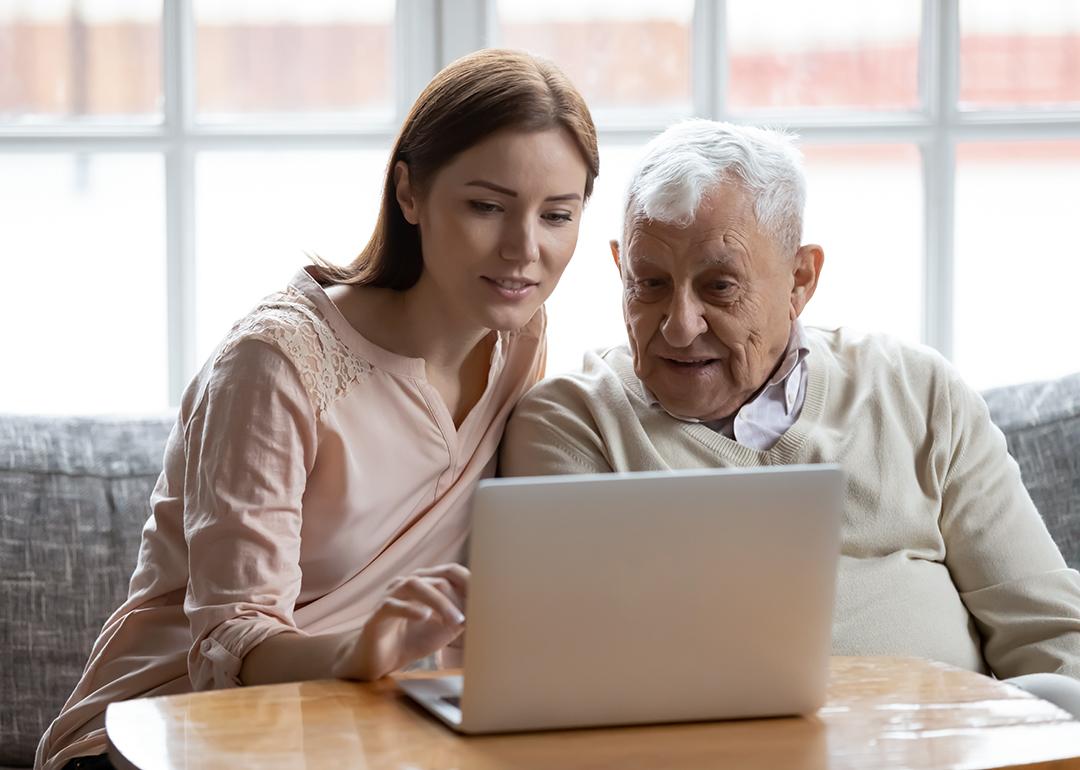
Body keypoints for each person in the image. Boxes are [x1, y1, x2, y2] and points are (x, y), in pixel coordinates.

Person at [37, 49, 598, 770]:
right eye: (486, 206)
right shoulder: (275, 366)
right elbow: (228, 642)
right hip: (173, 730)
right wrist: (360, 651)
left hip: (359, 729)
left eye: (557, 215)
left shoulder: (520, 338)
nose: (525, 250)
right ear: (410, 194)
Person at [500, 119, 1080, 681]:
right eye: (649, 284)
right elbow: (576, 671)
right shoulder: (572, 425)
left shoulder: (918, 390)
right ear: (620, 269)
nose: (678, 326)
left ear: (801, 279)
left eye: (719, 286)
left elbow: (1050, 634)